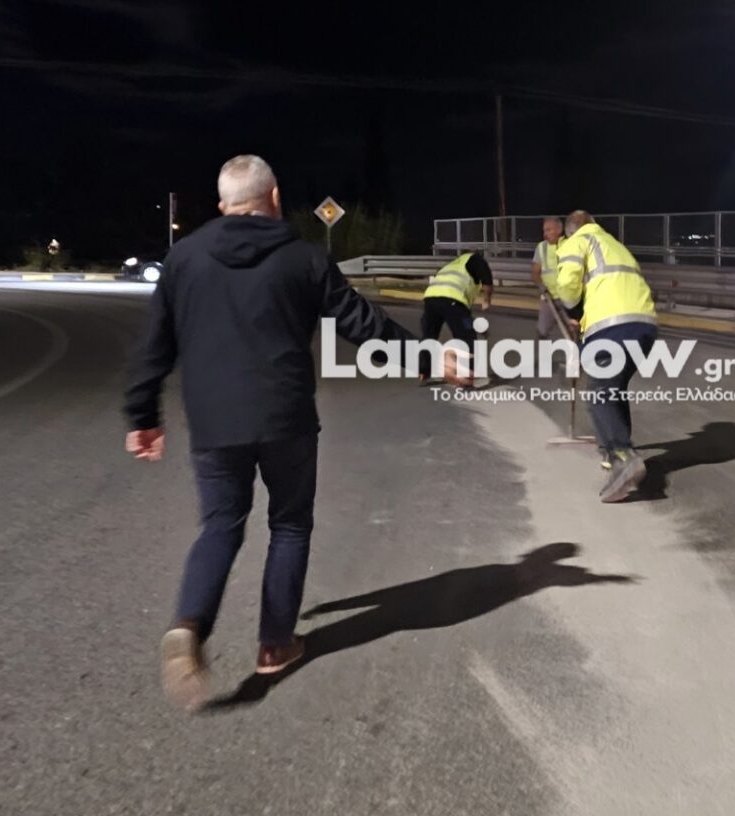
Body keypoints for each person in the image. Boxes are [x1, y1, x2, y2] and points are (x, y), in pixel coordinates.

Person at [123, 154, 422, 712]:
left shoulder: (184, 257)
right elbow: (362, 325)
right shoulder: (304, 258)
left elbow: (154, 344)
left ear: (223, 205)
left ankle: (189, 625)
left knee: (220, 526)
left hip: (214, 422)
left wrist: (143, 415)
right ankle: (275, 644)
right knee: (289, 525)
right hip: (286, 418)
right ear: (275, 198)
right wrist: (425, 356)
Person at [553, 210, 659, 502]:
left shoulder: (578, 240)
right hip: (644, 325)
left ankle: (622, 456)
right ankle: (613, 454)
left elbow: (568, 289)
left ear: (571, 230)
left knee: (599, 392)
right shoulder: (615, 245)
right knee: (613, 389)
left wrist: (573, 310)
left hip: (612, 326)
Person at [416, 249, 493, 382]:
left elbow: (463, 317)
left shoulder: (452, 265)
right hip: (452, 299)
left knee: (429, 335)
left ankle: (423, 371)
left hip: (431, 298)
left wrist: (478, 327)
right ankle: (468, 372)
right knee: (466, 337)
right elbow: (487, 281)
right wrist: (487, 300)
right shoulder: (476, 259)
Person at [531, 216, 567, 339]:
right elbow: (535, 272)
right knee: (542, 332)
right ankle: (544, 351)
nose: (545, 234)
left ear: (559, 230)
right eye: (544, 230)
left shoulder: (569, 245)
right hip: (548, 297)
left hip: (568, 297)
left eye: (548, 230)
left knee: (573, 330)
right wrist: (542, 287)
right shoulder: (541, 248)